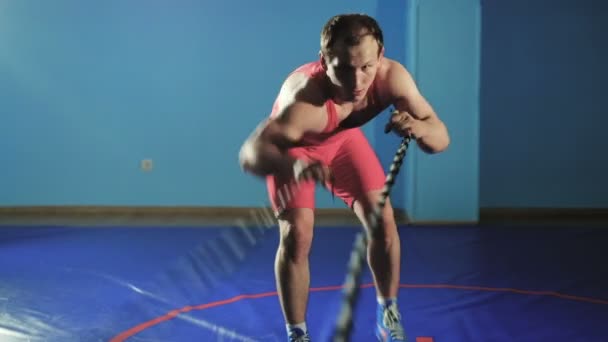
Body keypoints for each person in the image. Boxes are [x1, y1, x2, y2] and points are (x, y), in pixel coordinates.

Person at [238, 13, 450, 342]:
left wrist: (419, 127)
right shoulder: (304, 99)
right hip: (294, 152)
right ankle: (298, 334)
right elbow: (251, 154)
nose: (356, 81)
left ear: (379, 55)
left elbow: (440, 139)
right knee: (298, 234)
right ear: (324, 61)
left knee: (384, 220)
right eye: (344, 68)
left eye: (365, 67)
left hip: (341, 141)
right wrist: (292, 167)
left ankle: (387, 313)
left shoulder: (393, 78)